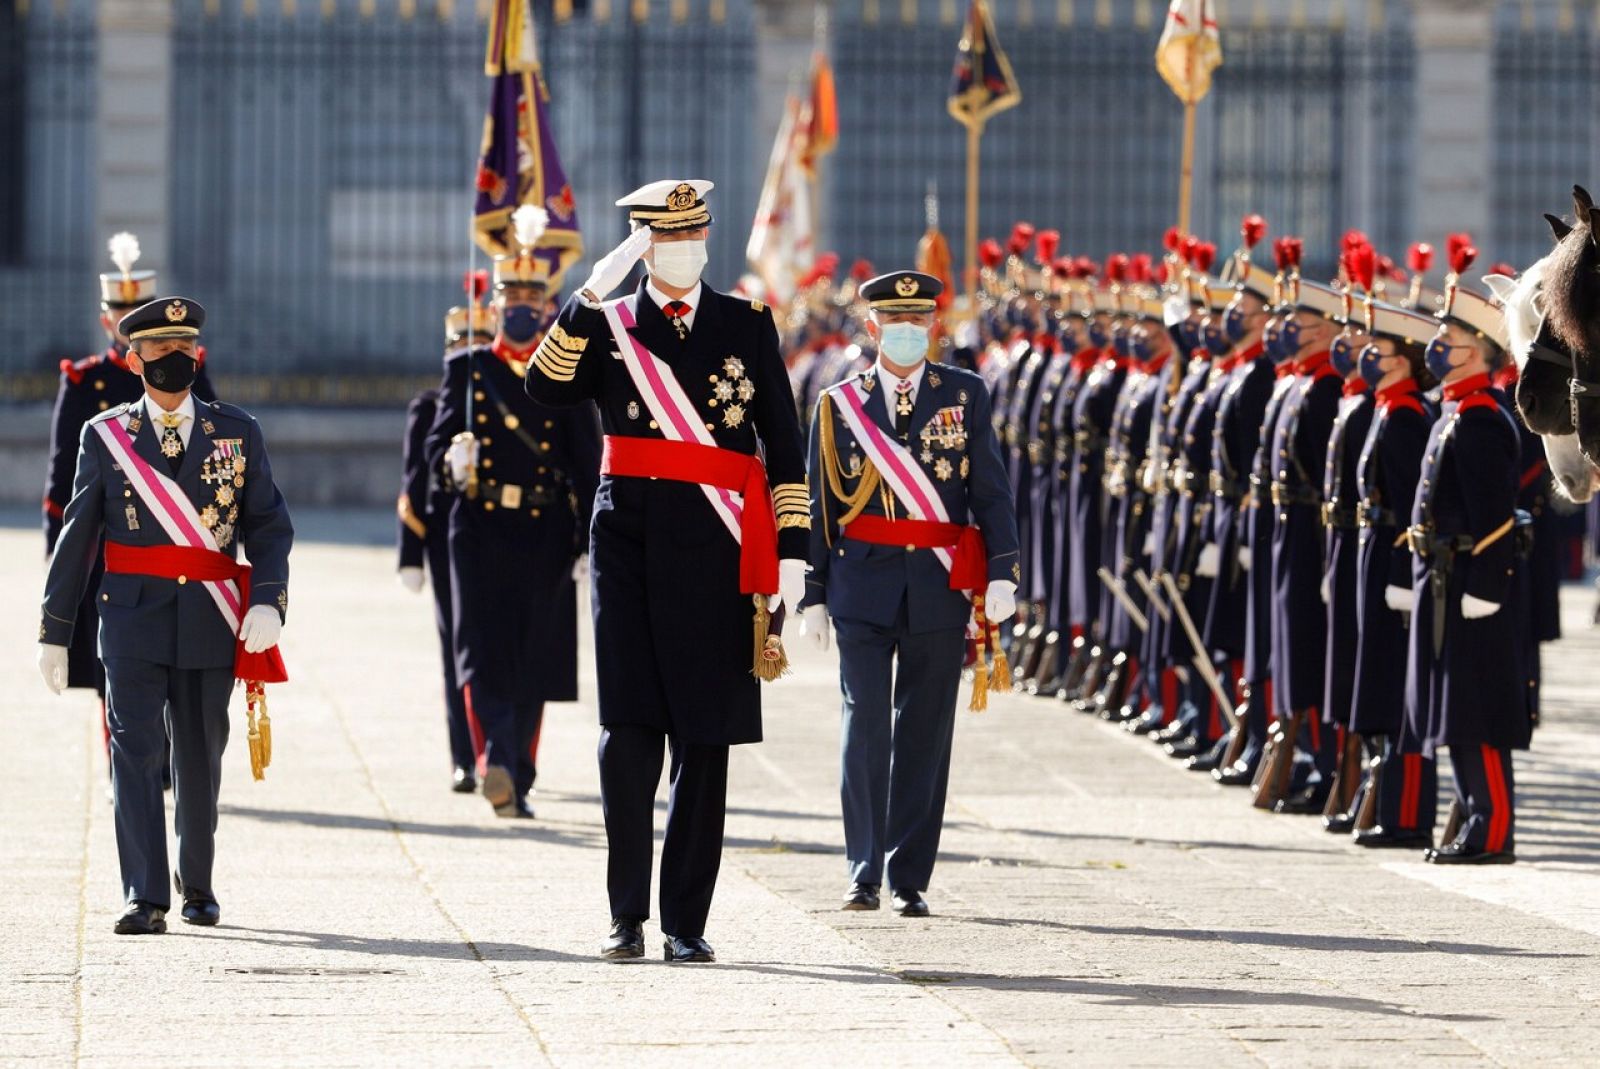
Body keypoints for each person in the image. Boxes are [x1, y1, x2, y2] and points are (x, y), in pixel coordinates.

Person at [525, 180, 811, 963]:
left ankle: (686, 918)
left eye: (697, 233)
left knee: (704, 734)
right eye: (671, 236)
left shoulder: (745, 323)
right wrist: (587, 295)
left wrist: (793, 551)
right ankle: (627, 914)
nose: (688, 246)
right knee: (628, 732)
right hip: (629, 541)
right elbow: (544, 388)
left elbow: (783, 443)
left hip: (719, 546)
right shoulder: (612, 324)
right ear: (646, 246)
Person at [38, 296, 292, 934]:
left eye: (184, 349)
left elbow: (267, 525)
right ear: (133, 359)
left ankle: (197, 884)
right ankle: (144, 895)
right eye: (159, 350)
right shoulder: (104, 436)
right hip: (129, 617)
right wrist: (55, 631)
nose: (174, 360)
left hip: (209, 614)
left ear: (198, 355)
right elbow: (77, 537)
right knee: (137, 750)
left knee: (202, 753)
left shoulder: (237, 432)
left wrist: (269, 598)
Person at [801, 269, 1018, 917]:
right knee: (862, 724)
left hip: (937, 584)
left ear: (931, 327)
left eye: (915, 323)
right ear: (871, 330)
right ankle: (863, 867)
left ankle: (908, 874)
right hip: (860, 582)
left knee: (924, 732)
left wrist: (1003, 570)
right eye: (891, 324)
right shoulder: (838, 404)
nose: (904, 333)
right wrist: (811, 590)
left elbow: (990, 487)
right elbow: (818, 504)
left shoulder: (965, 393)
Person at [426, 207, 599, 819]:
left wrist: (588, 542)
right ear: (494, 304)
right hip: (477, 528)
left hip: (543, 529)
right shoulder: (468, 370)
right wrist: (452, 458)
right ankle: (494, 758)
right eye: (512, 295)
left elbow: (587, 461)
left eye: (532, 294)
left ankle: (517, 776)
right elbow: (432, 447)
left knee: (535, 657)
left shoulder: (568, 375)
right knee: (481, 649)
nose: (522, 305)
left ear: (548, 304)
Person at [44, 234, 214, 773]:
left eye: (134, 314)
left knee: (175, 652)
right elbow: (61, 477)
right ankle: (126, 759)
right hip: (107, 545)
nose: (126, 323)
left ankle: (162, 756)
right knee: (110, 664)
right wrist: (61, 561)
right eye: (119, 315)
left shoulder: (188, 367)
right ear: (106, 323)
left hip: (173, 535)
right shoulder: (85, 381)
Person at [1405, 240, 1527, 864]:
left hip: (1471, 583)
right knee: (1451, 711)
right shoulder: (1455, 412)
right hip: (1442, 577)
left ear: (1477, 350)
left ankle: (1493, 828)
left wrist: (1487, 585)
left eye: (1447, 341)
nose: (1434, 350)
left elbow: (1495, 518)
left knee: (1475, 711)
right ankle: (1471, 817)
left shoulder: (1480, 420)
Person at [1345, 300, 1438, 848]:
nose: (1368, 358)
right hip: (1373, 554)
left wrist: (1404, 577)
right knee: (1378, 684)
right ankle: (1384, 800)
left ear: (1403, 360)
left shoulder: (1405, 416)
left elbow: (1410, 506)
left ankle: (1406, 813)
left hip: (1393, 562)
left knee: (1398, 690)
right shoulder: (1387, 407)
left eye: (1378, 351)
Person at [398, 297, 495, 792]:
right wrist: (409, 555)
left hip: (502, 534)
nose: (472, 353)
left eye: (479, 342)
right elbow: (414, 484)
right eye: (462, 344)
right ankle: (464, 753)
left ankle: (499, 747)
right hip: (444, 538)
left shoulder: (510, 397)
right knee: (455, 646)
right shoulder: (431, 406)